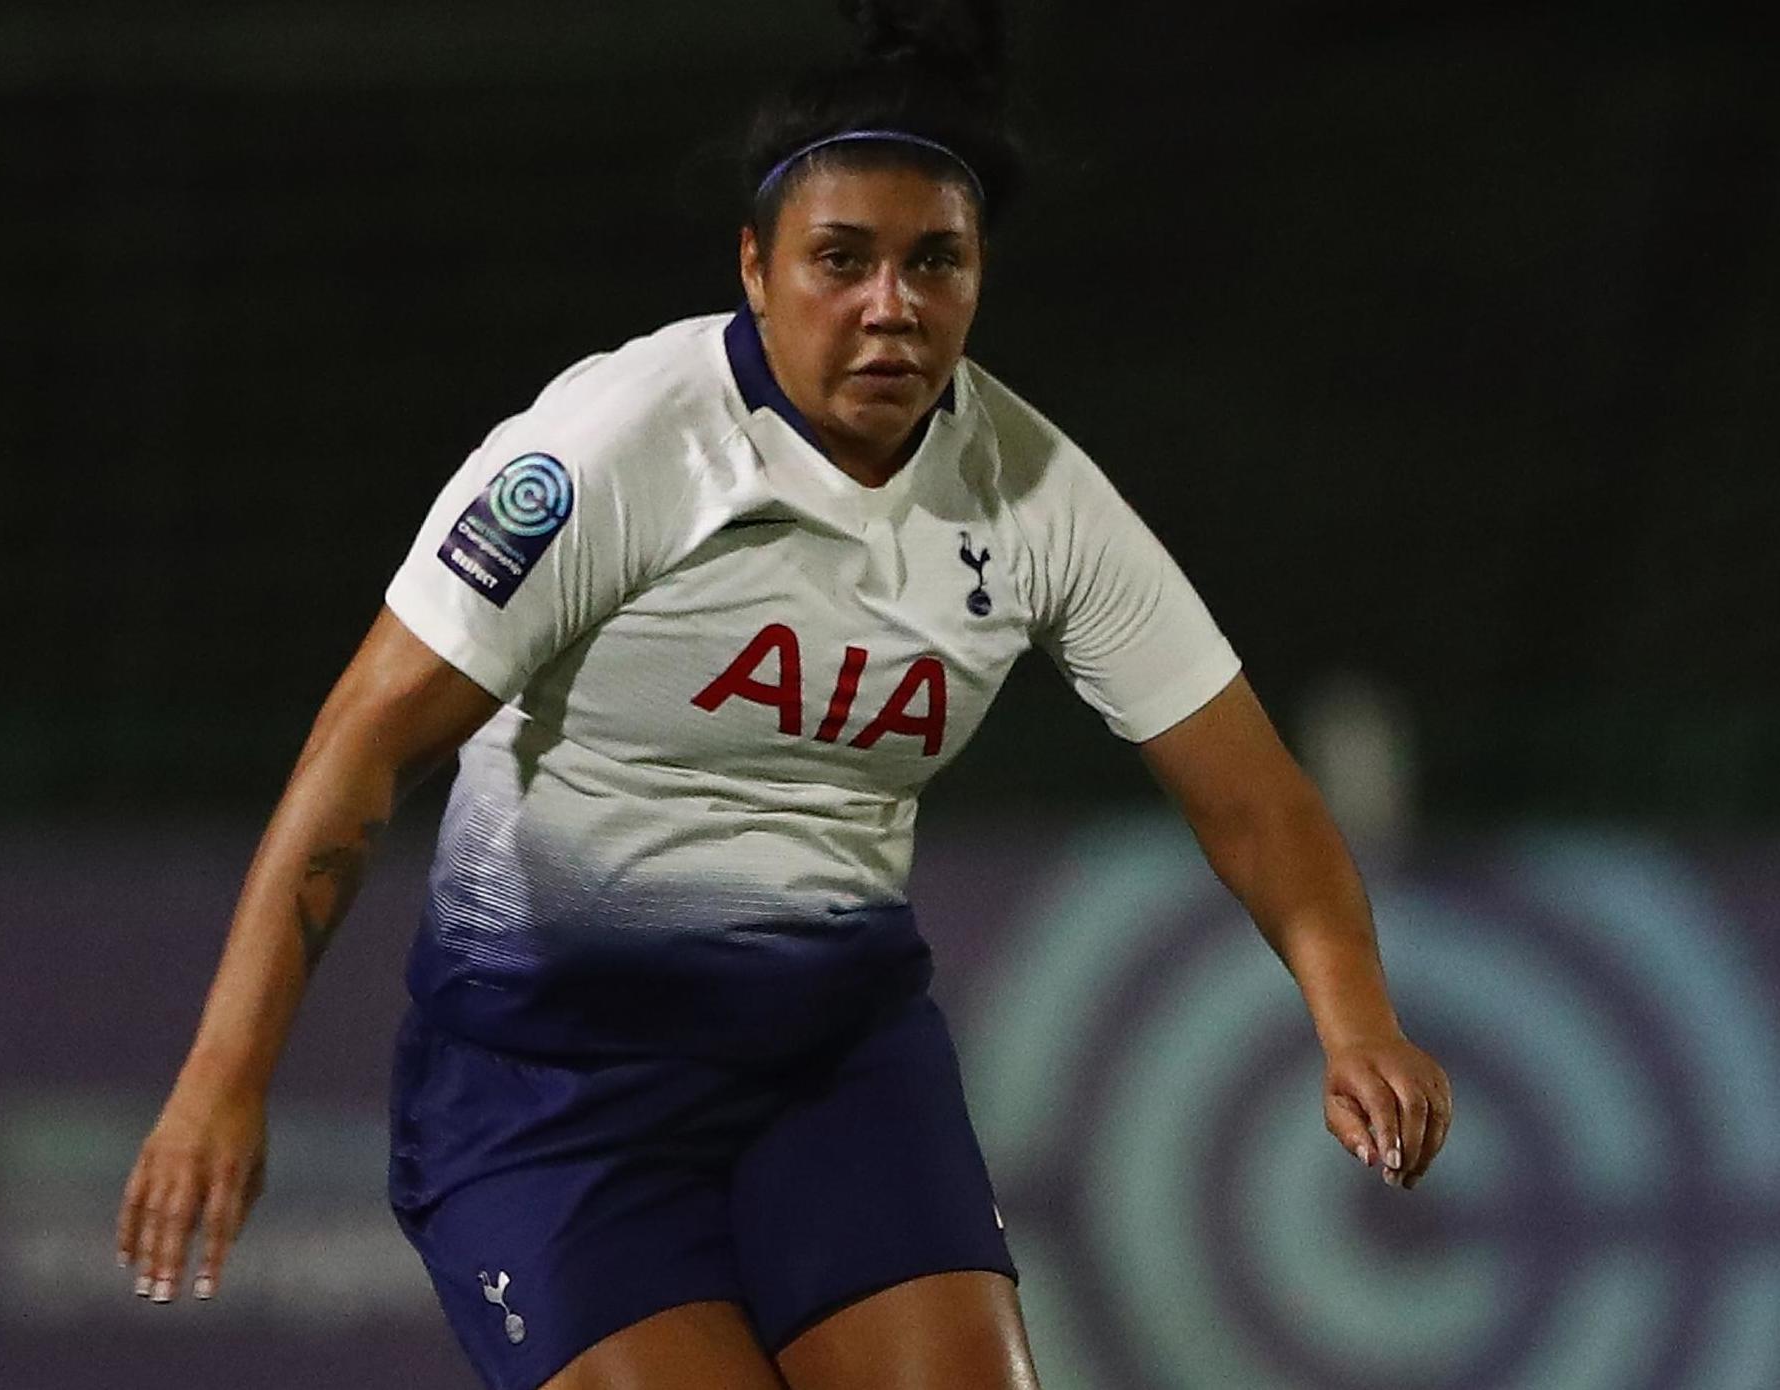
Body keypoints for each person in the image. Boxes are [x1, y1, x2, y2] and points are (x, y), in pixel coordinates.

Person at [115, 2, 1453, 1387]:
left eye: (936, 260)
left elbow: (1252, 800)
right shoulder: (616, 451)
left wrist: (1355, 1017)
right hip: (554, 1095)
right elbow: (365, 742)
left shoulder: (1035, 493)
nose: (893, 303)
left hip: (833, 1073)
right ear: (754, 268)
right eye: (841, 259)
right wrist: (223, 1076)